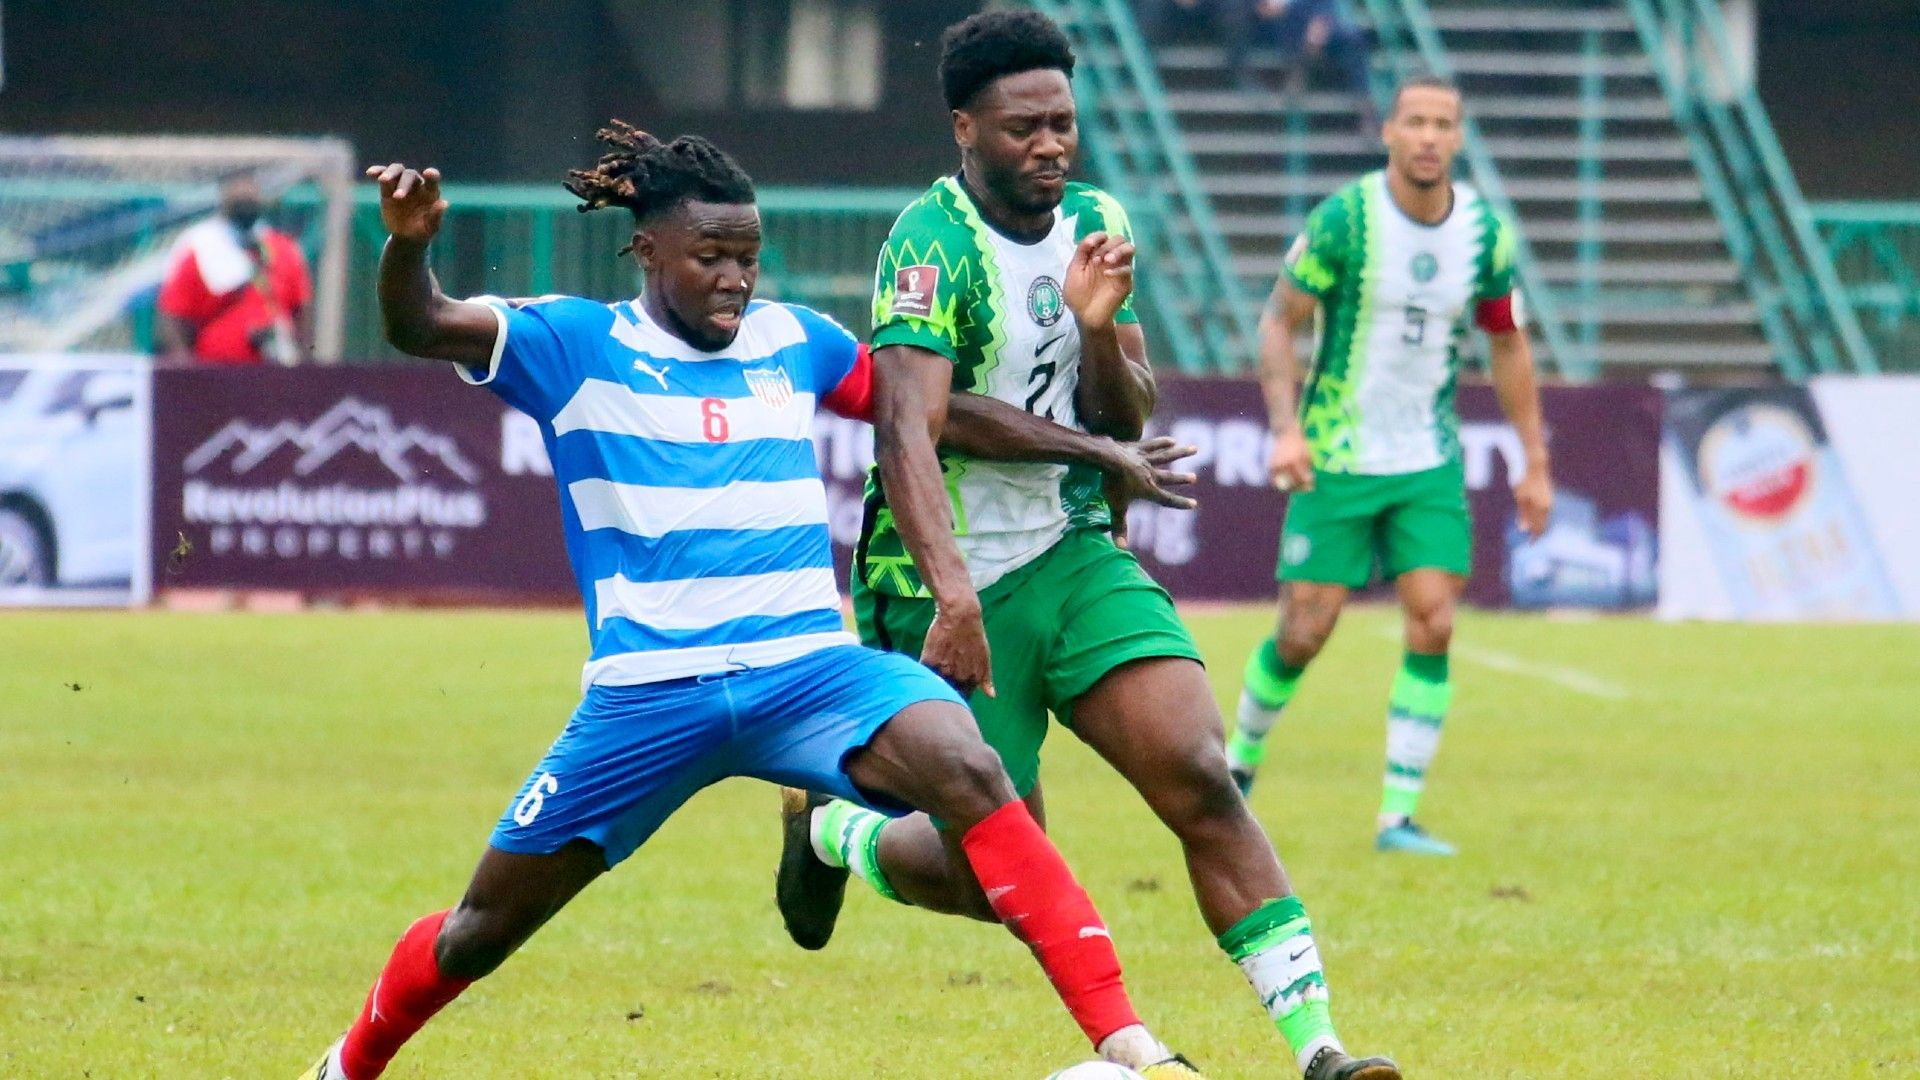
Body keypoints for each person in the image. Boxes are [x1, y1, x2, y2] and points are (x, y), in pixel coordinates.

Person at [298, 124, 1197, 1079]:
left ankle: (1133, 1049)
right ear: (647, 250)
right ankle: (347, 1065)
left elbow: (925, 416)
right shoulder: (572, 342)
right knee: (478, 933)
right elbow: (419, 324)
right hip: (649, 693)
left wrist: (1096, 448)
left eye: (749, 257)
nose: (736, 278)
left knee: (974, 771)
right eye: (711, 257)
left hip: (808, 671)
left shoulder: (794, 340)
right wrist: (407, 243)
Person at [773, 13, 1400, 1080]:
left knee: (1203, 774)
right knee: (992, 874)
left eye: (1063, 122)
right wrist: (956, 596)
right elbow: (913, 428)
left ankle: (1323, 1051)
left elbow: (1126, 412)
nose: (1052, 144)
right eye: (1025, 128)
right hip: (944, 583)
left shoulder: (1097, 220)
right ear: (966, 128)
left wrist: (1101, 329)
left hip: (1069, 551)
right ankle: (837, 832)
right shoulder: (927, 246)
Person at [1226, 76, 1553, 857]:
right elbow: (1280, 319)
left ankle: (1396, 819)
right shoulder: (1346, 219)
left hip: (1428, 459)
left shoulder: (1484, 234)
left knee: (1435, 619)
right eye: (1416, 122)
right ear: (1390, 133)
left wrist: (1535, 460)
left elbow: (1508, 344)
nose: (1430, 137)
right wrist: (1284, 429)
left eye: (1444, 124)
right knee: (1305, 631)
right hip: (1338, 455)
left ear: (1459, 137)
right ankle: (1236, 768)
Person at [156, 172, 312, 365]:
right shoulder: (201, 249)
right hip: (216, 375)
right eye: (238, 200)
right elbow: (173, 315)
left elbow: (300, 312)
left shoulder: (283, 248)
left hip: (276, 372)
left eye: (249, 198)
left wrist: (304, 366)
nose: (245, 204)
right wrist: (187, 372)